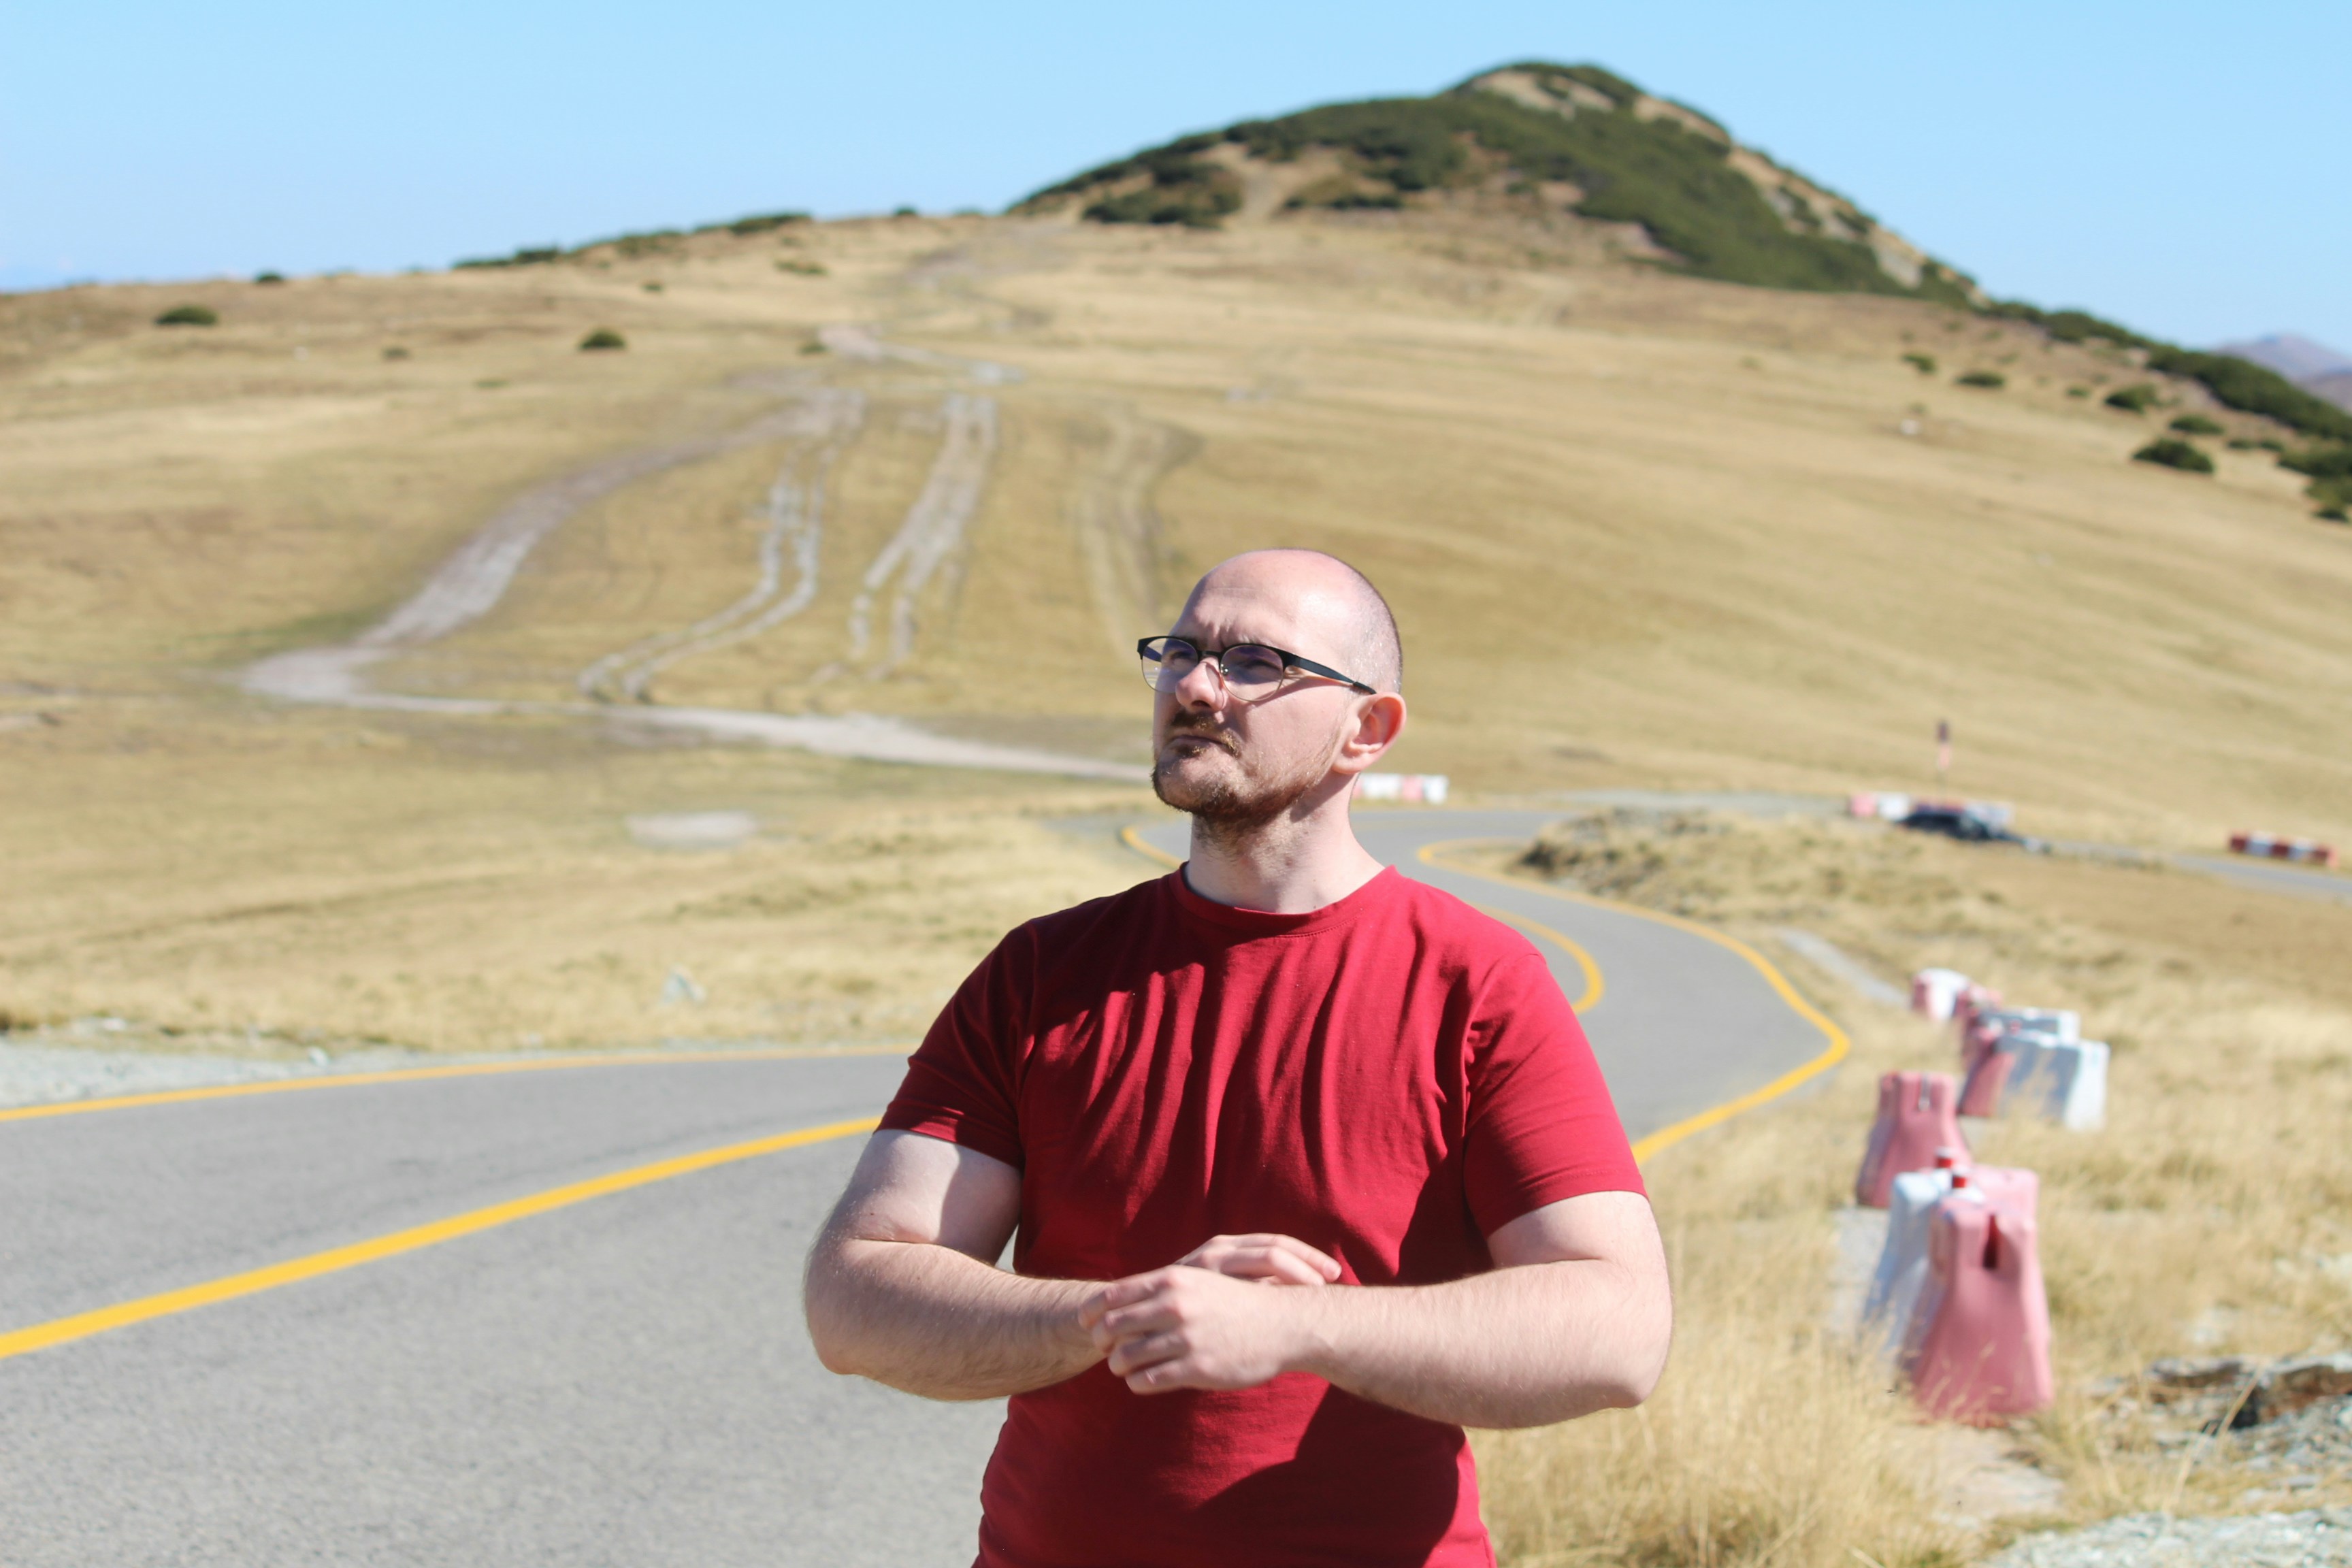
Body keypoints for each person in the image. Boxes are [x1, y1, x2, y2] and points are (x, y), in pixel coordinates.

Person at [804, 549, 1671, 1568]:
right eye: (1180, 651)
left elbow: (1619, 1332)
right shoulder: (1044, 972)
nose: (1196, 685)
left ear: (1368, 729)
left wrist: (1301, 1331)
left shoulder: (1475, 983)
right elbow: (853, 1300)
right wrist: (1117, 1314)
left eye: (1254, 660)